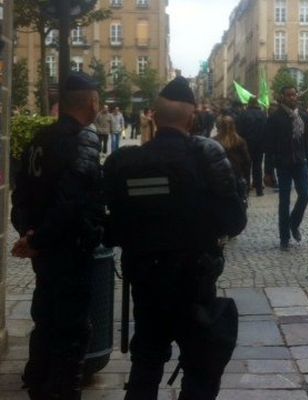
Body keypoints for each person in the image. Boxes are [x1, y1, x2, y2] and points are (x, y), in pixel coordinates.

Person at [103, 77, 247, 399]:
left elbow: (110, 226)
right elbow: (235, 221)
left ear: (152, 115)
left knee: (146, 362)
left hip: (146, 280)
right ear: (192, 118)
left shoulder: (123, 163)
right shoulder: (206, 157)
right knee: (200, 367)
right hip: (193, 281)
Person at [11, 72, 103, 400]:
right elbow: (72, 202)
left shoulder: (38, 139)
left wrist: (29, 235)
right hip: (68, 249)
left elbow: (20, 193)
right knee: (71, 331)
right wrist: (39, 239)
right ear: (92, 102)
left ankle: (38, 384)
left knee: (46, 319)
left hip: (43, 251)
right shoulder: (84, 140)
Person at [264, 86, 308, 250]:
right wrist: (268, 171)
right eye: (289, 95)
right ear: (282, 97)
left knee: (305, 194)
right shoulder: (275, 118)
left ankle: (294, 224)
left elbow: (307, 143)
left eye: (294, 95)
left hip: (300, 163)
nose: (293, 98)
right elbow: (269, 146)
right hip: (283, 164)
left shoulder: (303, 117)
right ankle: (284, 238)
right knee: (284, 202)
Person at [237, 97, 267, 195]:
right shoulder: (263, 114)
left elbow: (239, 130)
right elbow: (266, 129)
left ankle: (247, 189)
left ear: (249, 103)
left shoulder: (243, 114)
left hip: (247, 144)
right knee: (257, 166)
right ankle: (259, 189)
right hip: (260, 144)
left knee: (246, 166)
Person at [215, 115, 251, 187]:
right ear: (234, 126)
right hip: (236, 173)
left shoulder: (214, 141)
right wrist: (246, 178)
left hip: (220, 175)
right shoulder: (240, 141)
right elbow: (246, 160)